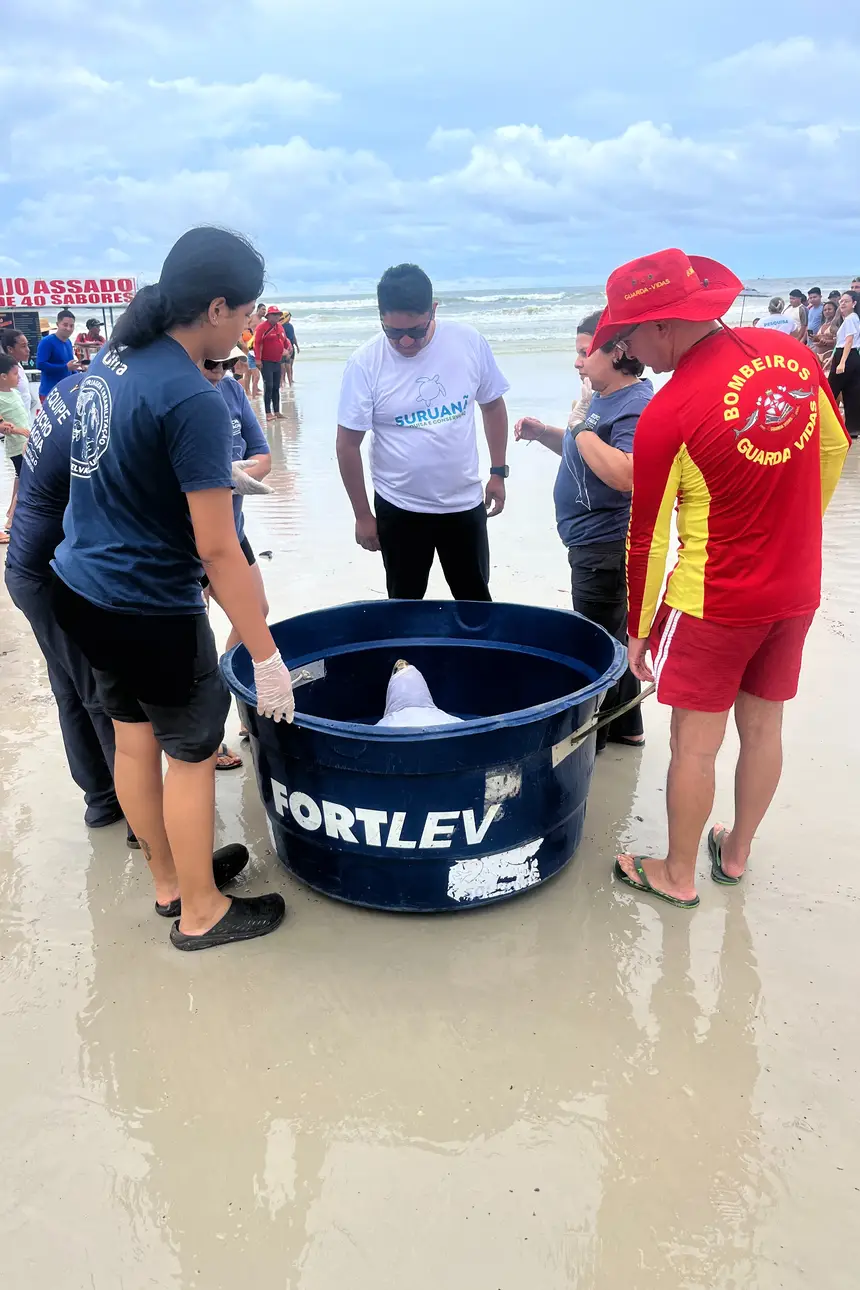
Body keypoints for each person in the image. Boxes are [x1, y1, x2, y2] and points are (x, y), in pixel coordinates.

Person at [50, 226, 294, 951]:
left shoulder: (116, 358)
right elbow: (217, 549)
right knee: (191, 752)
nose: (248, 328)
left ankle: (170, 881)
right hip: (147, 604)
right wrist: (267, 656)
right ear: (216, 308)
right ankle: (203, 912)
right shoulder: (193, 396)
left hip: (80, 586)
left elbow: (127, 462)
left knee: (133, 740)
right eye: (245, 314)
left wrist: (217, 474)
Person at [589, 247, 849, 910]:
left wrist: (638, 630)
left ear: (663, 324)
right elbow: (833, 446)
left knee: (693, 746)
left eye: (630, 335)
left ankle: (677, 874)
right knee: (764, 728)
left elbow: (646, 538)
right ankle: (735, 854)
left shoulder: (670, 411)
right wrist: (793, 527)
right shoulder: (791, 355)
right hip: (794, 588)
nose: (628, 350)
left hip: (713, 601)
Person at [514, 311, 652, 749]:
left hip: (604, 542)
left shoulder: (633, 404)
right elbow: (586, 453)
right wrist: (546, 433)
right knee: (612, 635)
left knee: (597, 643)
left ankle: (595, 740)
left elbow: (625, 473)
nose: (577, 362)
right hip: (588, 540)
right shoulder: (600, 396)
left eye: (584, 352)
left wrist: (579, 427)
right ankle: (628, 726)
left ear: (617, 352)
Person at [337, 264, 509, 601]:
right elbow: (347, 445)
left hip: (463, 504)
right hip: (400, 507)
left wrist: (498, 472)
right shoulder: (364, 363)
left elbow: (492, 406)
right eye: (393, 332)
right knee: (404, 605)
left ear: (433, 310)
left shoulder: (468, 342)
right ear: (380, 317)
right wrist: (362, 515)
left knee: (476, 604)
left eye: (415, 332)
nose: (404, 342)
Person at [4, 374, 127, 830]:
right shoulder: (97, 413)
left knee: (70, 689)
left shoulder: (70, 390)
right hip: (49, 575)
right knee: (101, 694)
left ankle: (102, 801)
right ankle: (137, 816)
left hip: (28, 566)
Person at [200, 345, 272, 750]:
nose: (220, 370)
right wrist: (215, 482)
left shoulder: (231, 391)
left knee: (255, 614)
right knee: (194, 637)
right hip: (187, 539)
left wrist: (231, 478)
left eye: (228, 364)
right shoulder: (176, 394)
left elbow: (263, 455)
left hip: (233, 530)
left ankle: (230, 694)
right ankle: (205, 737)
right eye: (211, 362)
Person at [0, 353, 31, 535]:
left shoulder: (15, 393)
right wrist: (19, 431)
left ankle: (11, 514)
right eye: (15, 374)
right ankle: (12, 520)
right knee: (26, 480)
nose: (19, 378)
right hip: (17, 447)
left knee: (20, 479)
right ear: (3, 377)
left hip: (25, 444)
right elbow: (2, 426)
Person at [828, 290, 860, 438]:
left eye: (846, 301)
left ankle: (823, 423)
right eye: (841, 301)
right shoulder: (852, 318)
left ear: (854, 303)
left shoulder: (850, 319)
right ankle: (852, 429)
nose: (842, 304)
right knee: (851, 392)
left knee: (830, 390)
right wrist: (832, 358)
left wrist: (841, 362)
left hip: (846, 355)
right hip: (851, 356)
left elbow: (849, 341)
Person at [253, 305, 289, 421]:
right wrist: (258, 359)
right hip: (266, 361)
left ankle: (277, 411)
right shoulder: (262, 327)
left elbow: (284, 340)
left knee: (276, 387)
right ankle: (268, 413)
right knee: (268, 386)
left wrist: (288, 348)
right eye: (274, 314)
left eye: (278, 314)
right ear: (268, 316)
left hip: (277, 361)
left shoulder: (280, 327)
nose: (276, 316)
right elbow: (256, 343)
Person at [36, 310, 81, 399]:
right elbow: (40, 365)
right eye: (65, 325)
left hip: (66, 390)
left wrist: (79, 375)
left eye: (71, 326)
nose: (68, 328)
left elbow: (70, 366)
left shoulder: (68, 342)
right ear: (57, 324)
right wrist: (65, 367)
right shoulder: (47, 341)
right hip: (50, 392)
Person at [1, 327, 40, 423]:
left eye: (27, 345)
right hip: (13, 424)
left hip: (24, 421)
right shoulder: (6, 372)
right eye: (23, 346)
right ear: (10, 349)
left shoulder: (18, 366)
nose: (28, 350)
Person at [811, 299, 840, 376]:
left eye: (829, 309)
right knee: (819, 376)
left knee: (827, 376)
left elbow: (838, 341)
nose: (827, 311)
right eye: (825, 310)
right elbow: (819, 338)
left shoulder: (836, 325)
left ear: (835, 311)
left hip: (829, 354)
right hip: (818, 353)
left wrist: (826, 342)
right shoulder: (823, 325)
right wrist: (815, 338)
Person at [281, 310, 299, 388]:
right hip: (284, 348)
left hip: (291, 347)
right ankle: (283, 380)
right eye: (289, 317)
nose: (290, 318)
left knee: (290, 365)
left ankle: (290, 379)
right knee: (283, 366)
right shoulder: (281, 326)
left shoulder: (291, 326)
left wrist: (297, 346)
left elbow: (293, 336)